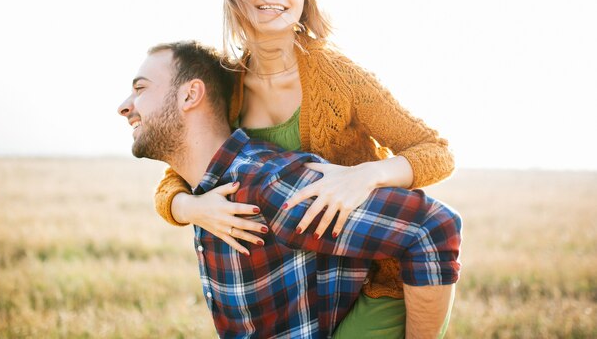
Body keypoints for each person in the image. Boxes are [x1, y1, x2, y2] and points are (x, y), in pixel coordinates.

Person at [155, 0, 456, 338]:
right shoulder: (227, 87)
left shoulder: (336, 75)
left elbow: (436, 150)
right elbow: (180, 173)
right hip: (300, 292)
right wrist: (191, 209)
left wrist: (367, 174)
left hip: (374, 279)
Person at [117, 41, 462, 338]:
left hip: (382, 297)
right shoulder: (211, 189)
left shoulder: (268, 185)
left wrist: (369, 174)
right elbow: (173, 184)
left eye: (141, 88)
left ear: (191, 94)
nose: (125, 105)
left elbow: (432, 226)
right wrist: (185, 206)